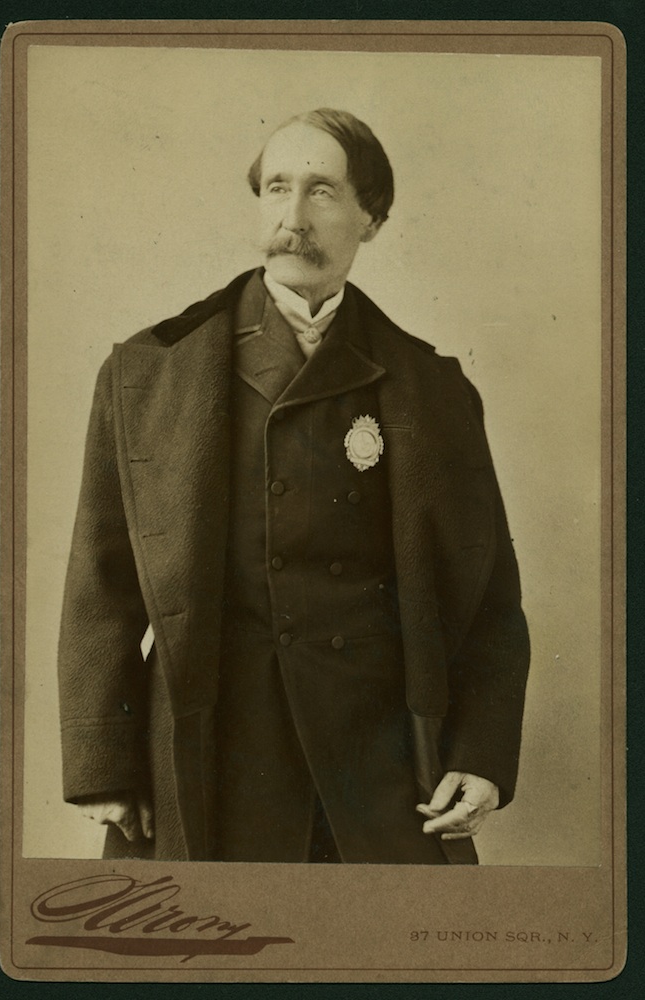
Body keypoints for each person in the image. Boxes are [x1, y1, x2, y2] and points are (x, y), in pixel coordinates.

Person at [58, 108, 530, 864]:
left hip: (382, 762)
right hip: (213, 749)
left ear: (371, 218)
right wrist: (102, 764)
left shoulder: (434, 388)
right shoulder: (149, 373)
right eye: (277, 188)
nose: (293, 216)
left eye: (323, 191)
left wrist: (480, 754)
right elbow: (100, 582)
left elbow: (489, 596)